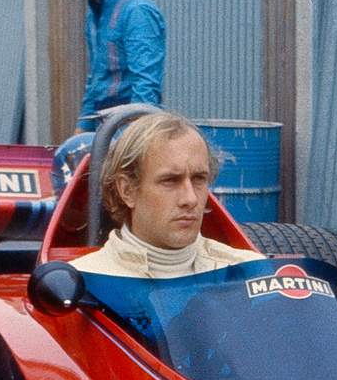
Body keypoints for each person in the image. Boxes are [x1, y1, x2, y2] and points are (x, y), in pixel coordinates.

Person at [70, 111, 260, 278]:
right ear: (127, 191)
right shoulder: (85, 284)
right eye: (170, 180)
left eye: (199, 179)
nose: (191, 199)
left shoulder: (250, 274)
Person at [60, 0, 164, 134]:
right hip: (104, 126)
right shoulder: (94, 13)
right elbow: (96, 79)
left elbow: (146, 89)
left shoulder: (137, 11)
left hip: (128, 128)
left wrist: (129, 142)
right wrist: (80, 132)